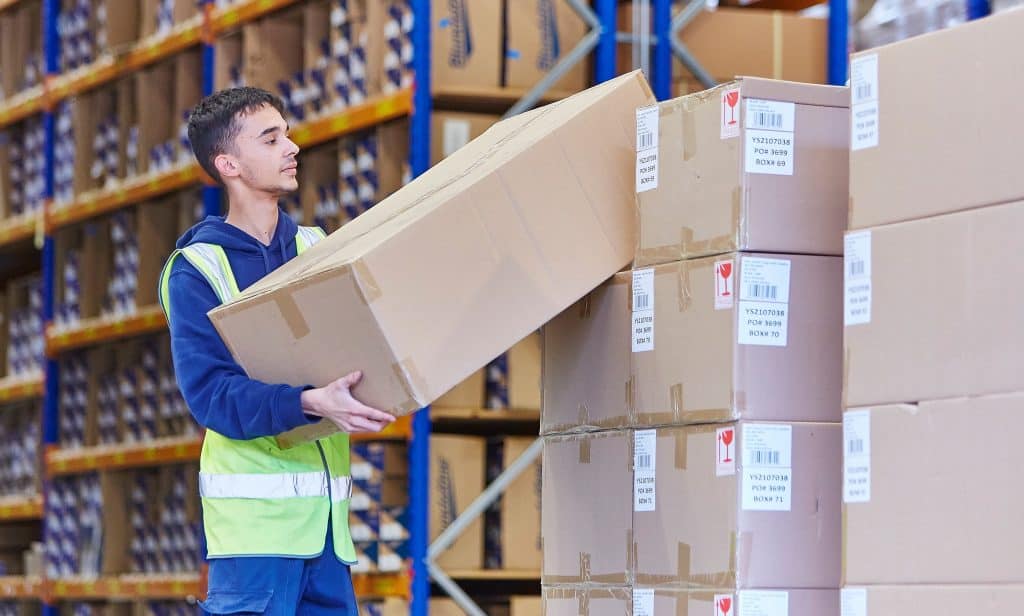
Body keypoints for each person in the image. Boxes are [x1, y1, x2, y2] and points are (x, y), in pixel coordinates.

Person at [157, 87, 396, 615]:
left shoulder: (318, 248)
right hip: (255, 542)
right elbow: (212, 396)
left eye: (286, 133)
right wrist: (311, 402)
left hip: (329, 539)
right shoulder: (198, 269)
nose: (292, 147)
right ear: (229, 164)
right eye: (271, 139)